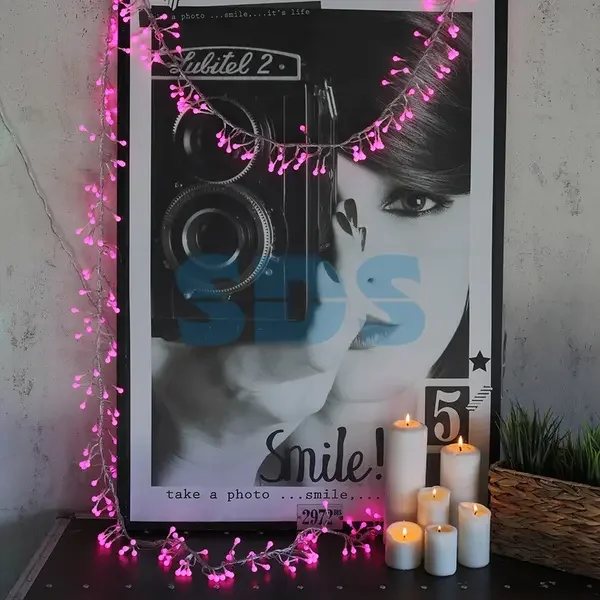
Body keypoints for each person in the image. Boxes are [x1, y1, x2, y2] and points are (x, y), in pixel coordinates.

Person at [151, 10, 472, 488]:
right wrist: (202, 454)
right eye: (305, 208)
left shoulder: (481, 477)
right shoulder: (135, 413)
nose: (349, 264)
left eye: (413, 202)